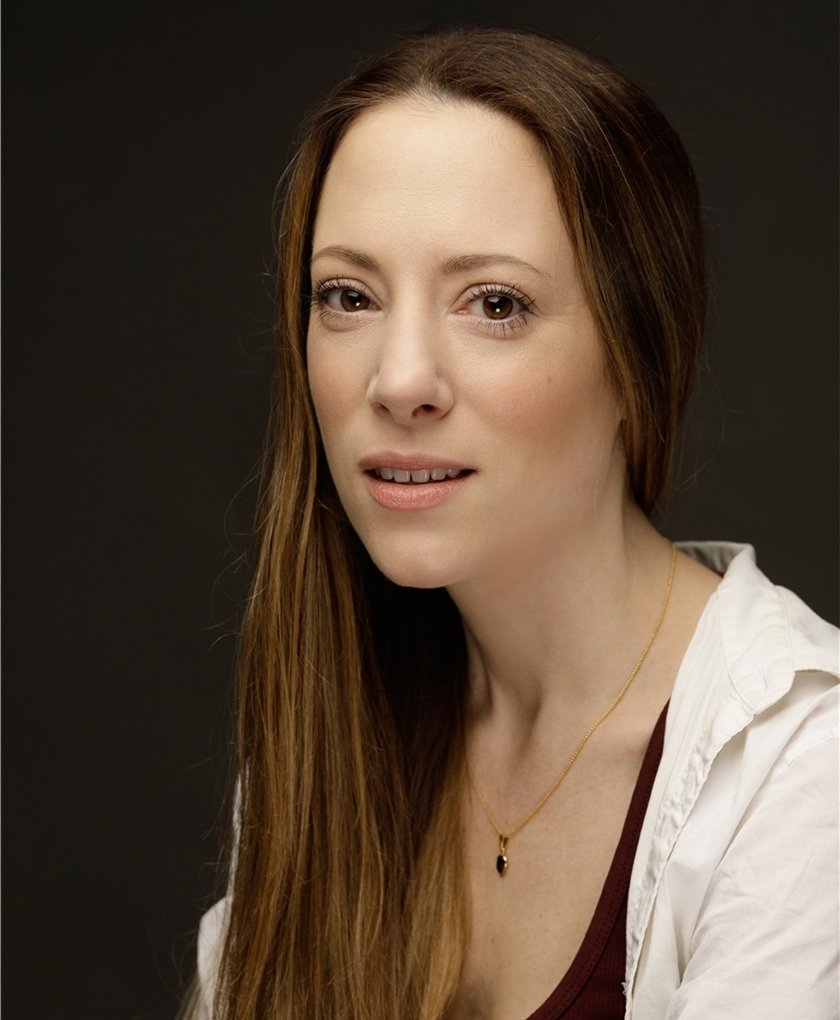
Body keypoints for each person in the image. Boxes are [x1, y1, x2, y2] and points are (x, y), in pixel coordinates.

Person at [187, 26, 839, 1020]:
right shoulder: (326, 739)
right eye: (349, 296)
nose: (399, 379)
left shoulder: (803, 773)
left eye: (494, 303)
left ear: (638, 354)